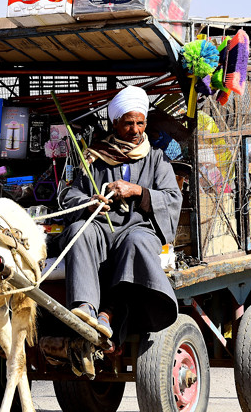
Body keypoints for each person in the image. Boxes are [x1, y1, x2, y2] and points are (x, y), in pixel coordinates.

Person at [57, 85, 183, 343]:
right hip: (102, 229)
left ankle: (109, 313)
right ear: (115, 123)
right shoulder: (94, 156)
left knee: (134, 243)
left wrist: (137, 190)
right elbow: (69, 196)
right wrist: (90, 202)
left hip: (140, 230)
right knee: (77, 231)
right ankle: (85, 308)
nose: (135, 130)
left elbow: (172, 199)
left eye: (140, 123)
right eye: (128, 123)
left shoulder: (157, 159)